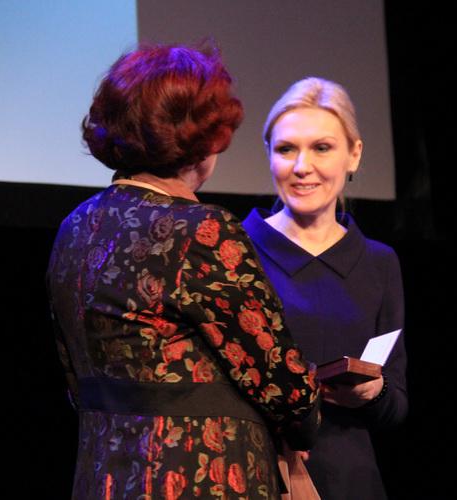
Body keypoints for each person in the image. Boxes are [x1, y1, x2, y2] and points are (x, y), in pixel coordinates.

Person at [46, 44, 321, 499]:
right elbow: (283, 385)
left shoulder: (74, 227)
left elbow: (75, 377)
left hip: (103, 476)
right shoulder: (201, 230)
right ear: (203, 140)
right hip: (198, 475)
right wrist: (308, 416)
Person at [242, 77, 408, 499]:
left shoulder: (379, 262)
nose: (302, 166)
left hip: (352, 482)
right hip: (256, 478)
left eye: (321, 147)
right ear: (268, 154)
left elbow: (396, 405)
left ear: (354, 154)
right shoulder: (235, 251)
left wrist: (374, 392)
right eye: (286, 149)